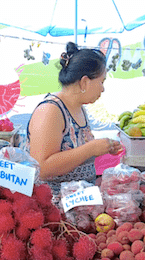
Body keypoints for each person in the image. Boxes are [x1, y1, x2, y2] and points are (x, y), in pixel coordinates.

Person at [24, 42, 122, 195]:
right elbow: (41, 168)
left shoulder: (79, 107)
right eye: (101, 82)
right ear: (84, 82)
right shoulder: (50, 111)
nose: (103, 89)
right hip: (53, 207)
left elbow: (76, 154)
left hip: (80, 203)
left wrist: (103, 148)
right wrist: (90, 149)